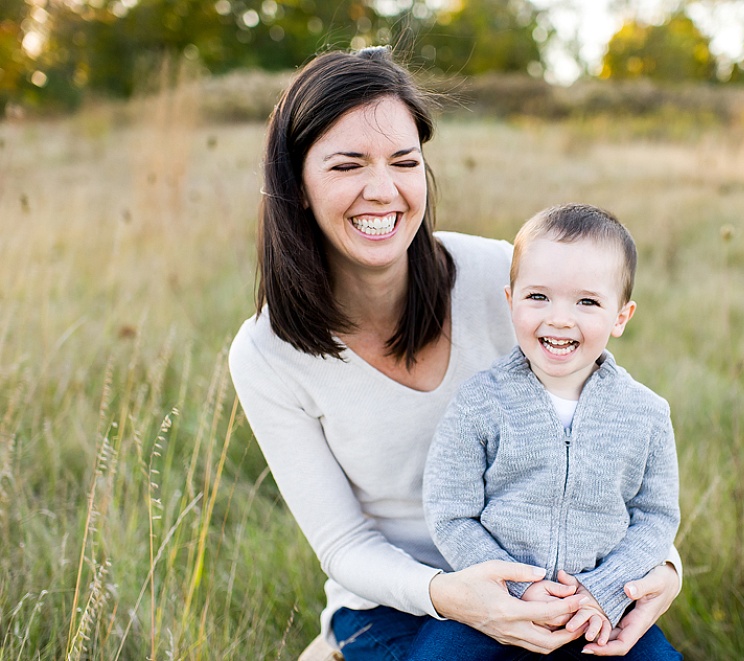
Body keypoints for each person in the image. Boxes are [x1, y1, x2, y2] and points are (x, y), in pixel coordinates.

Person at [228, 47, 683, 661]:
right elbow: (344, 544)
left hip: (554, 583)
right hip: (399, 601)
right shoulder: (267, 353)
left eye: (403, 161)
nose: (382, 190)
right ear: (298, 185)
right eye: (347, 165)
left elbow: (609, 436)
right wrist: (449, 595)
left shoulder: (502, 274)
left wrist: (661, 568)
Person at [414, 204, 681, 660]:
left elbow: (656, 517)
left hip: (597, 609)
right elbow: (450, 511)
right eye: (538, 297)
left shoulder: (646, 414)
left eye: (587, 301)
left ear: (621, 316)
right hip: (497, 605)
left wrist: (607, 590)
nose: (559, 318)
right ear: (510, 299)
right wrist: (517, 589)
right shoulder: (480, 402)